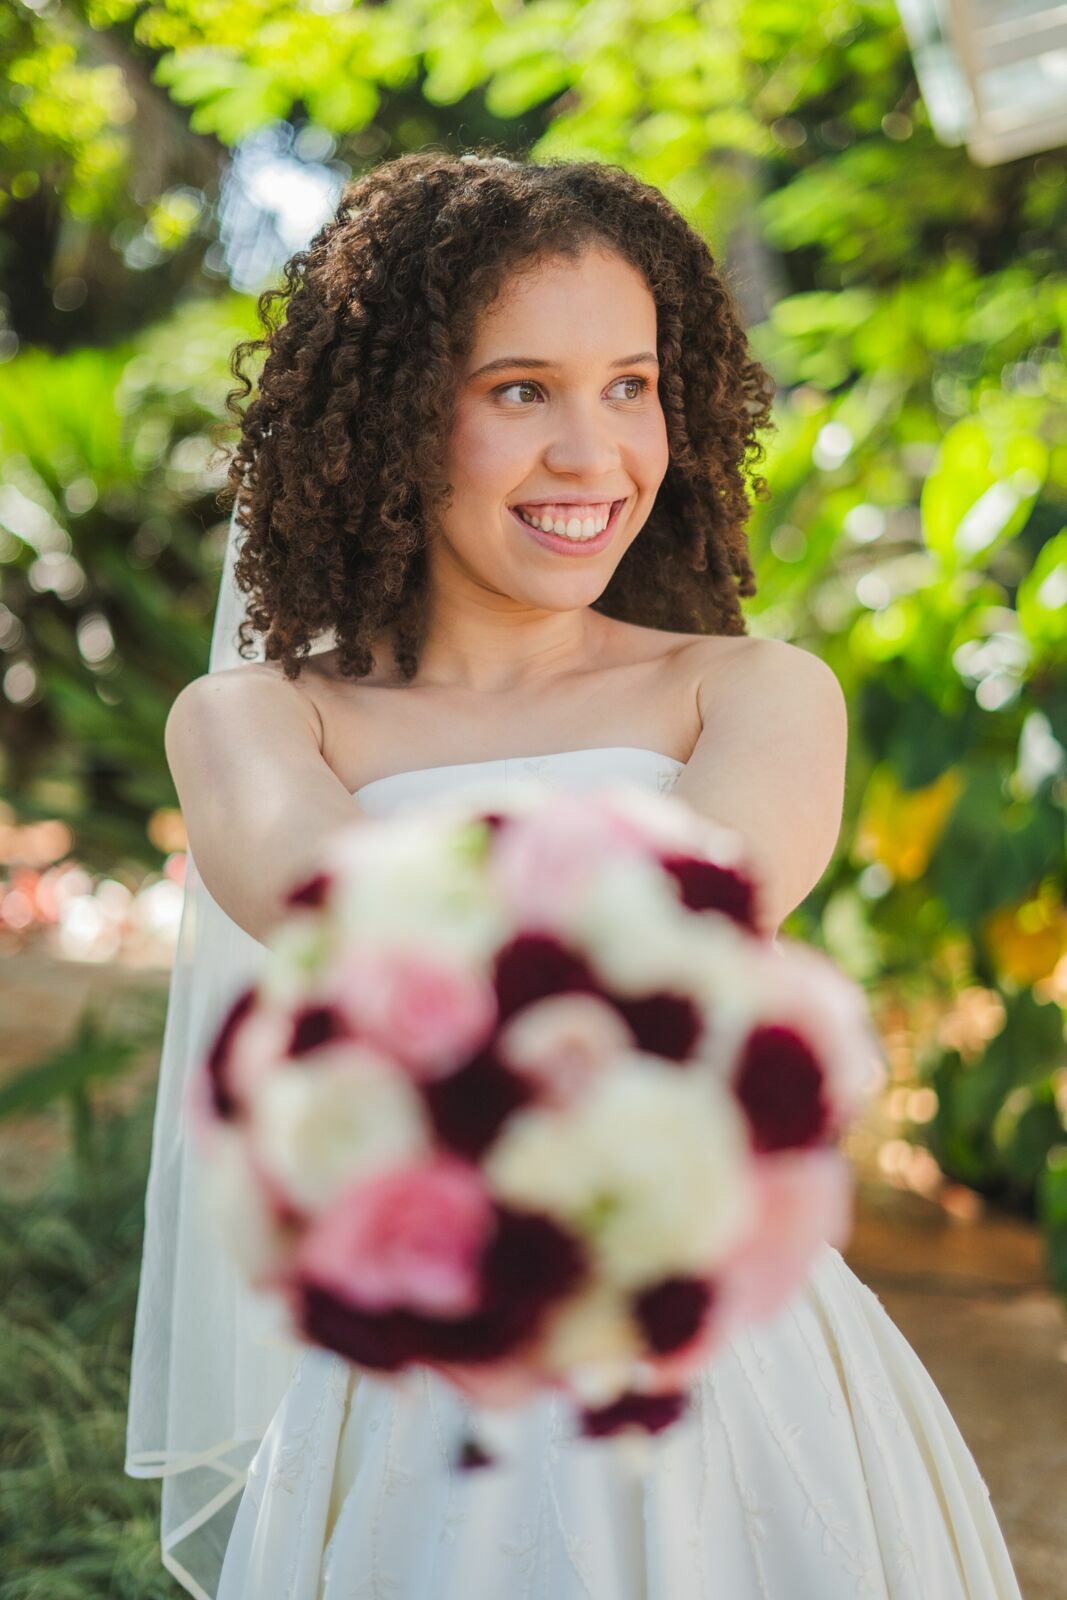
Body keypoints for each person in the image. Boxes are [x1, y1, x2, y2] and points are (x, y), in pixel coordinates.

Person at [126, 149, 1024, 1599]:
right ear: (396, 417)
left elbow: (694, 919)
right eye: (520, 390)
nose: (593, 453)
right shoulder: (252, 721)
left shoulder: (757, 693)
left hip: (739, 1386)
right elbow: (353, 926)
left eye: (632, 384)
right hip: (422, 1409)